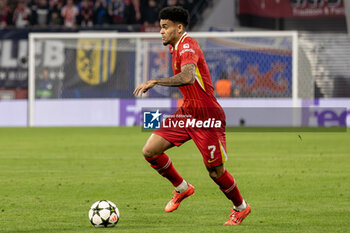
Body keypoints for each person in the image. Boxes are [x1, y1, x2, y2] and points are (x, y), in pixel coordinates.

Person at [133, 6, 251, 225]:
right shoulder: (175, 47)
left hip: (207, 117)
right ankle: (182, 188)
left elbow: (187, 77)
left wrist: (156, 81)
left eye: (165, 27)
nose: (161, 32)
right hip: (187, 112)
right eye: (161, 27)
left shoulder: (188, 45)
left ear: (179, 28)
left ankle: (241, 207)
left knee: (215, 173)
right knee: (150, 151)